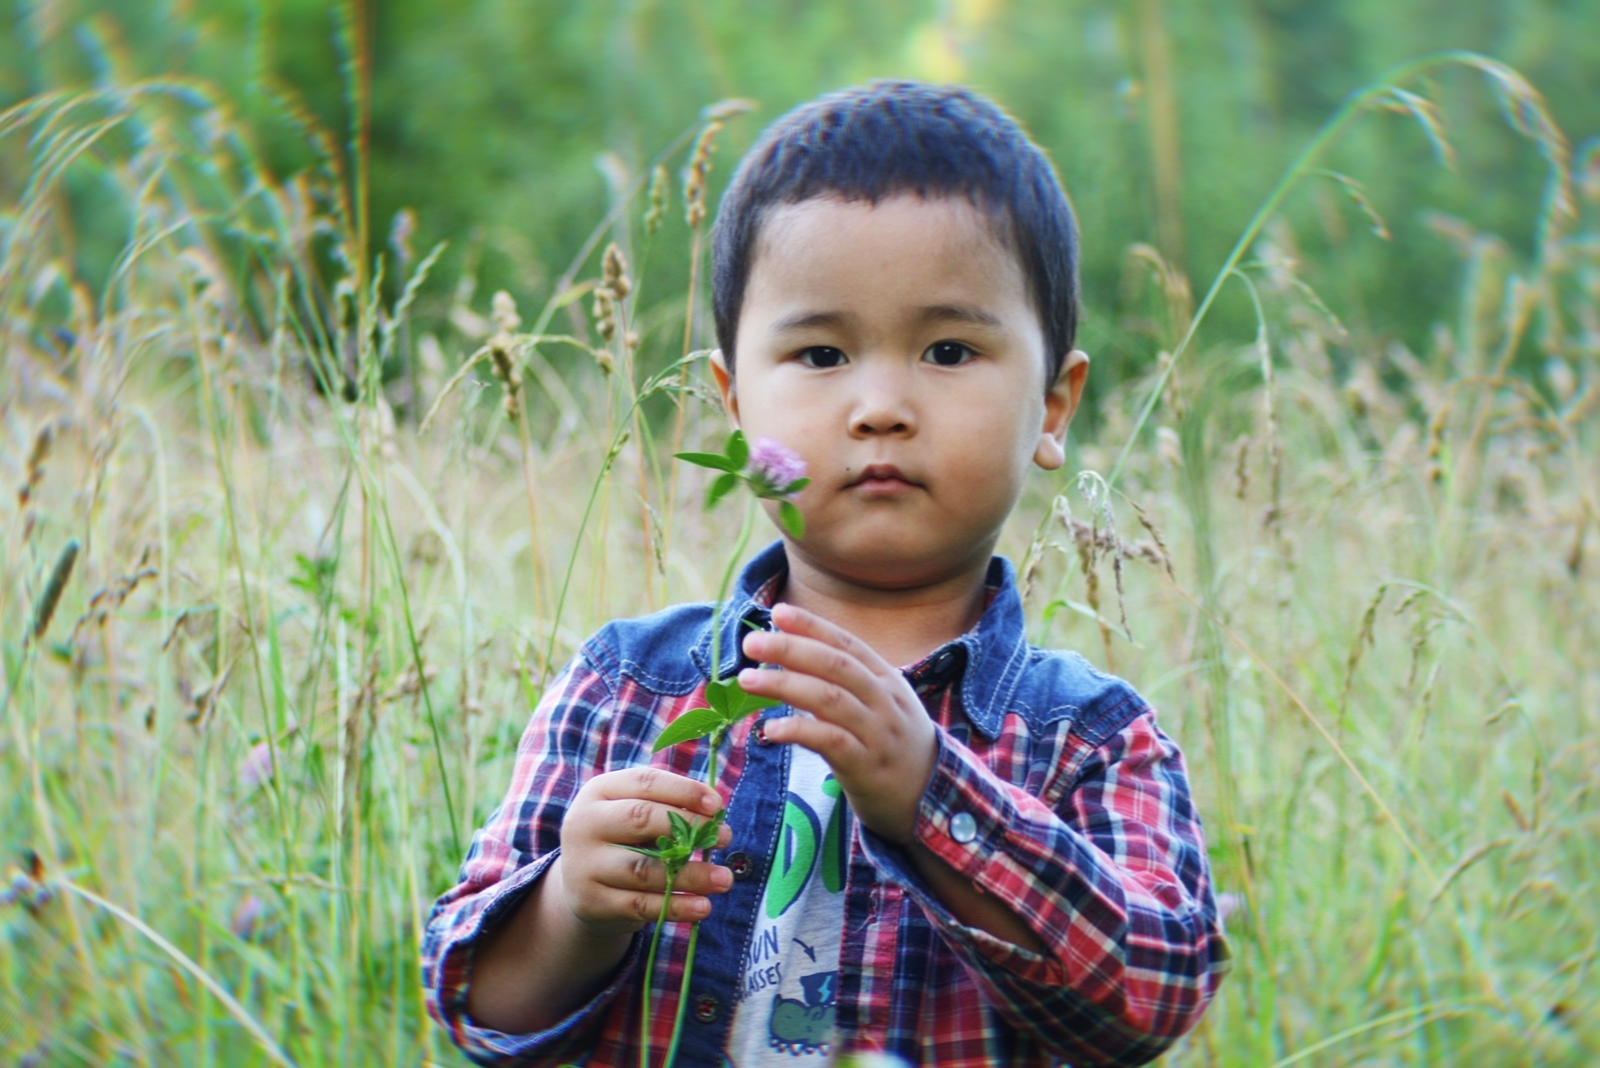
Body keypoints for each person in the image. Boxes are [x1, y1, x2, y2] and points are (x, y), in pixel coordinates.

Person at [422, 80, 1228, 1068]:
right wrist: (573, 908)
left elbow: (1153, 996)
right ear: (731, 403)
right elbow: (476, 1009)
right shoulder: (626, 689)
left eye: (947, 349)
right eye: (818, 353)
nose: (878, 406)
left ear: (1053, 406)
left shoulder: (1088, 736)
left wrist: (930, 795)